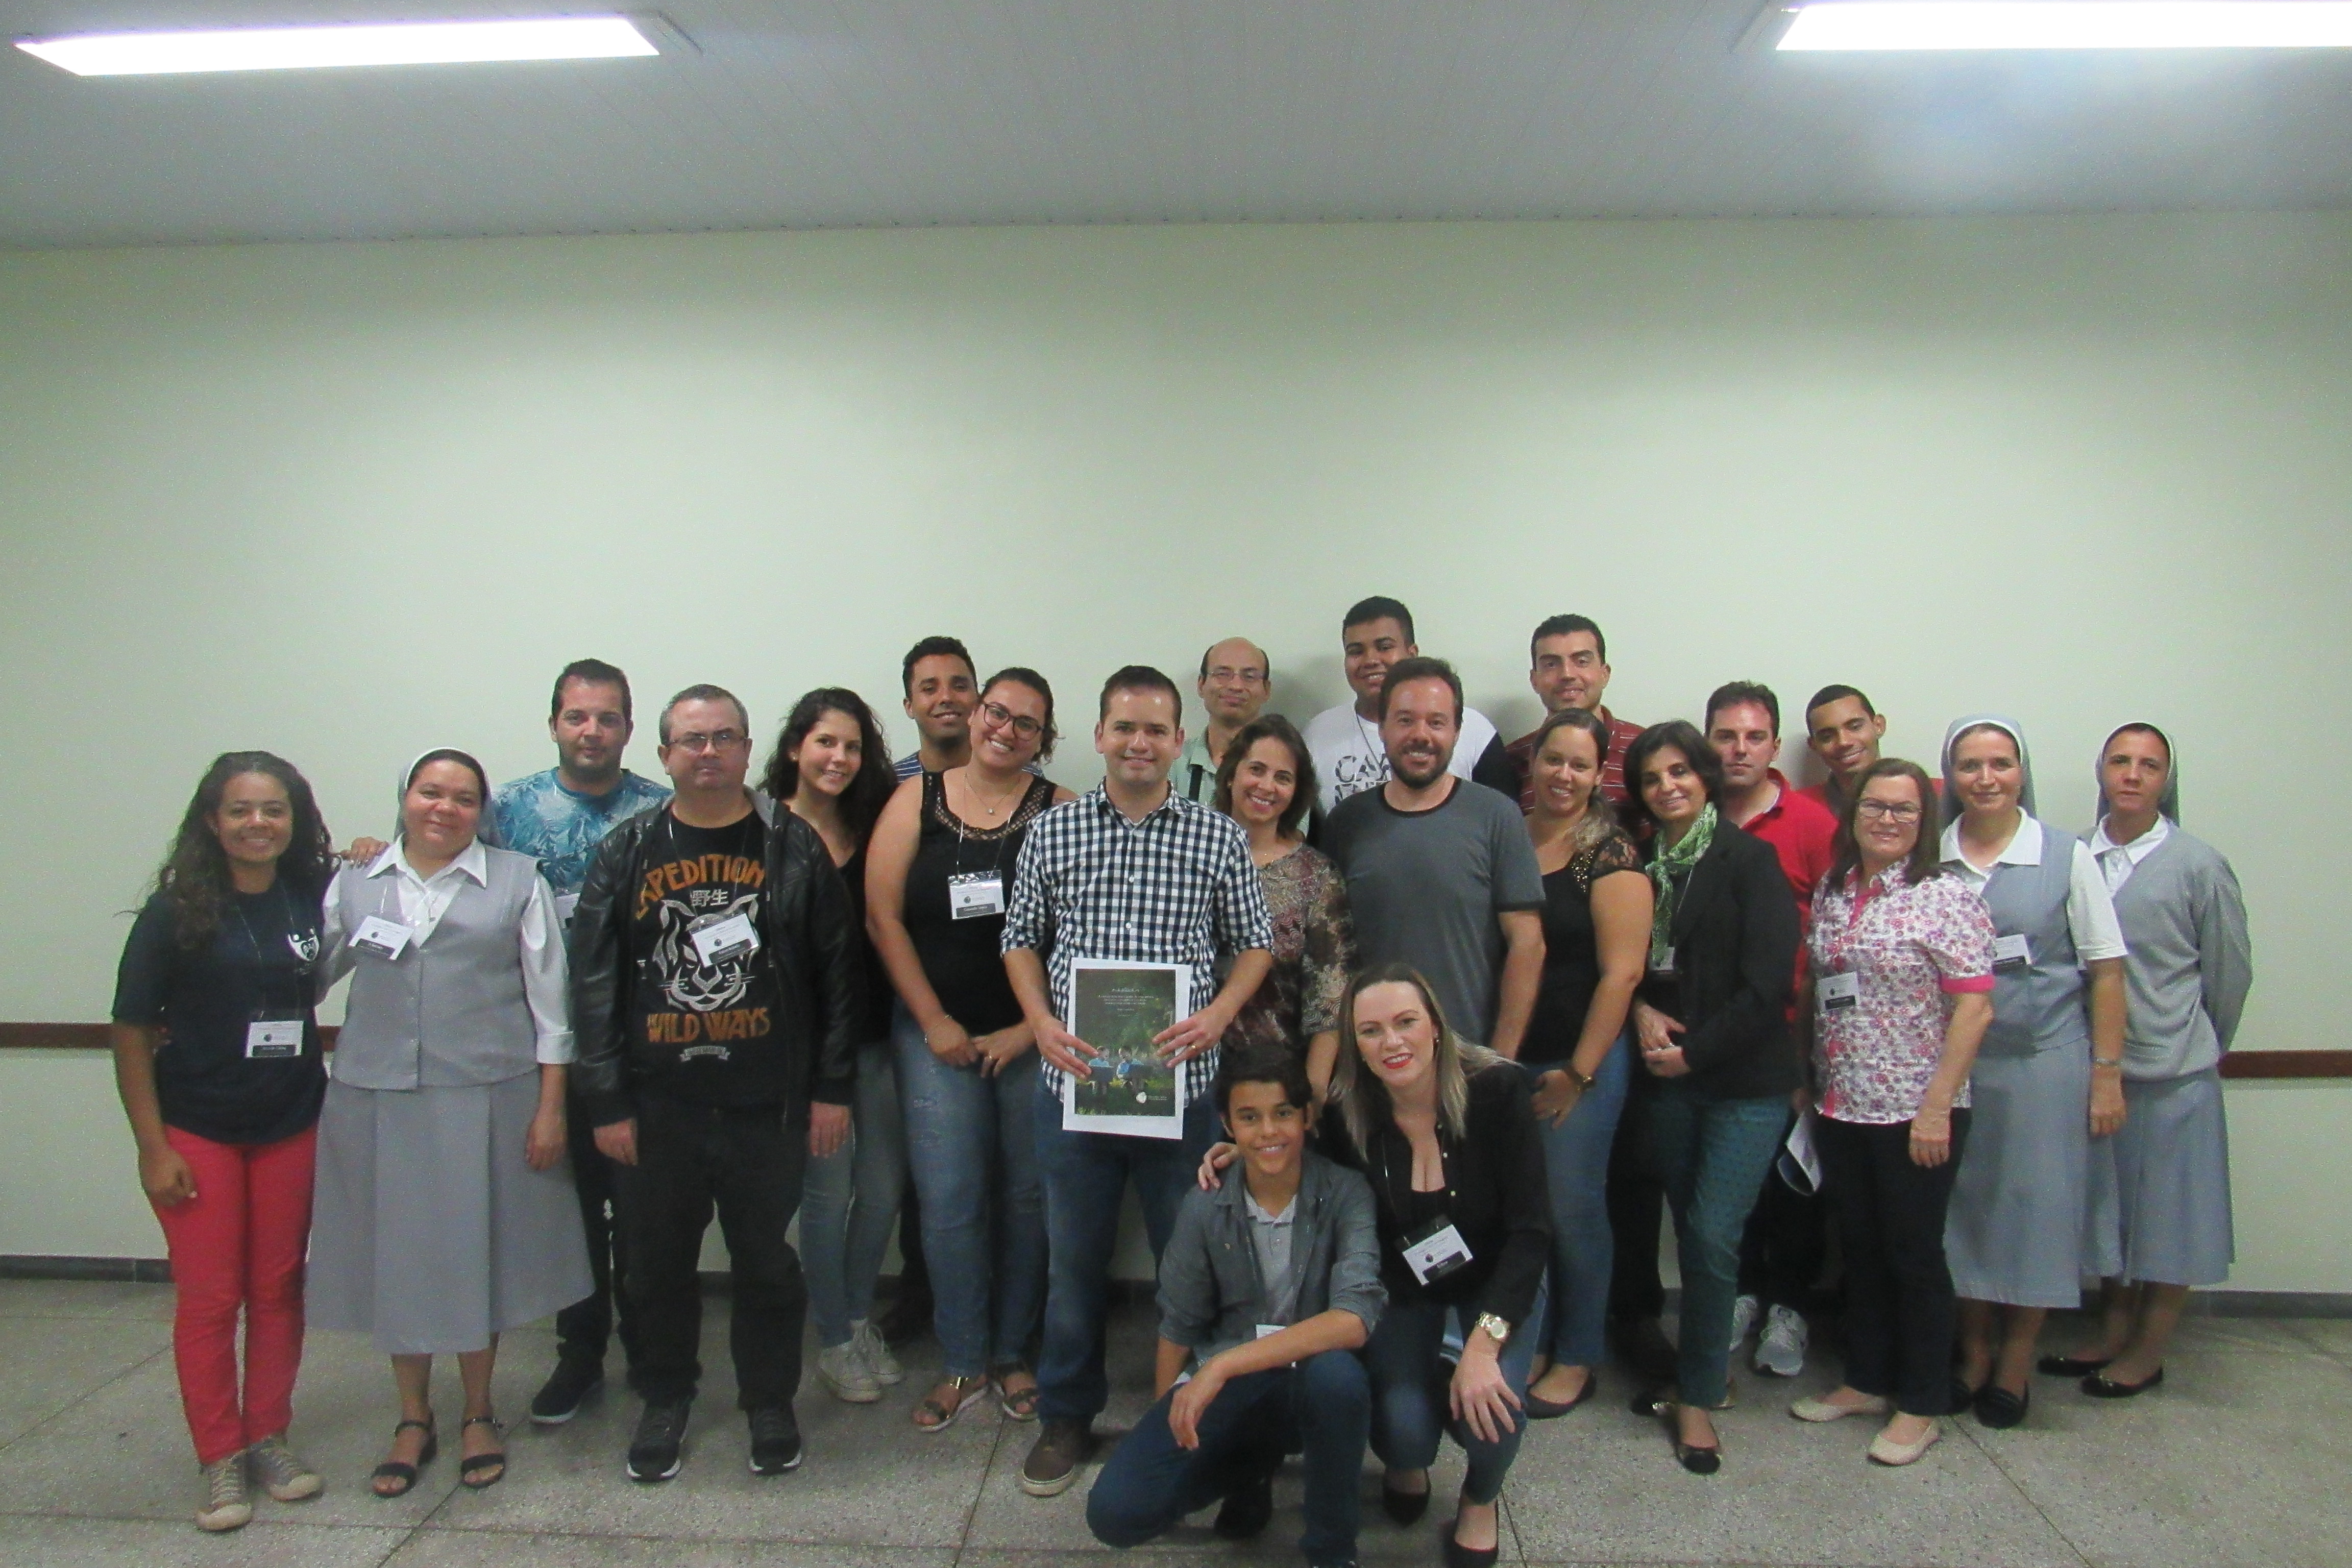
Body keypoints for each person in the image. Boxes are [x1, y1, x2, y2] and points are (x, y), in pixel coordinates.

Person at [570, 685, 860, 1482]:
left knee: (767, 1263)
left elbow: (839, 978)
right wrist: (605, 1102)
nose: (708, 753)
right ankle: (665, 1396)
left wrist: (832, 1091)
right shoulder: (627, 851)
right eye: (691, 740)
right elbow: (591, 987)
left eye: (724, 737)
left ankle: (769, 1400)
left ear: (745, 749)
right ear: (663, 754)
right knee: (654, 1267)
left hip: (765, 1104)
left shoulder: (794, 848)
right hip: (656, 1106)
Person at [1001, 665, 1275, 1499]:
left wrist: (1220, 1015)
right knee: (1073, 1260)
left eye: (1155, 729)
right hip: (1075, 1085)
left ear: (1177, 739)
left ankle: (1196, 1407)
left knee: (1188, 1260)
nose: (1139, 742)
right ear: (1098, 735)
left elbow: (1254, 943)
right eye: (1124, 727)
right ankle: (1067, 1411)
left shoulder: (1215, 835)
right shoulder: (1053, 831)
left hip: (1180, 1090)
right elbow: (1018, 938)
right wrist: (1040, 1022)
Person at [311, 749, 589, 1498]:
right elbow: (308, 975)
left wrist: (551, 1108)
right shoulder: (355, 883)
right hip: (380, 1099)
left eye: (463, 798)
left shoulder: (516, 879)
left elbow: (551, 1005)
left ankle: (476, 1411)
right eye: (430, 793)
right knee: (399, 1260)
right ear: (404, 799)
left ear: (481, 811)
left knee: (478, 1253)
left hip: (488, 1094)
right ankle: (411, 1417)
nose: (445, 808)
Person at [111, 753, 337, 1531]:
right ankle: (218, 1456)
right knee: (212, 1298)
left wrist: (373, 851)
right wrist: (152, 1146)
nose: (257, 824)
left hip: (291, 1119)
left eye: (273, 810)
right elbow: (133, 1030)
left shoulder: (311, 894)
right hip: (197, 1127)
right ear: (212, 820)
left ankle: (267, 1434)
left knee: (278, 1287)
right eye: (241, 810)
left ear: (294, 819)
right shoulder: (174, 912)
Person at [865, 668, 1071, 1430]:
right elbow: (883, 917)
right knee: (950, 1203)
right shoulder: (914, 798)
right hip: (935, 1039)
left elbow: (1081, 937)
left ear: (1043, 741)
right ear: (977, 713)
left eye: (1027, 723)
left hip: (1031, 1039)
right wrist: (933, 1020)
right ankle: (961, 1360)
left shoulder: (1061, 811)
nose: (1006, 729)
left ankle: (1013, 1353)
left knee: (1027, 1200)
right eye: (998, 712)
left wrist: (1032, 1027)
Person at [1086, 1046, 1382, 1568]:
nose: (1268, 1132)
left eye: (1283, 1114)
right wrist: (1170, 1418)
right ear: (1227, 1125)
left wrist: (1220, 1365)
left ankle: (1332, 1551)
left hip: (1309, 1375)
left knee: (1339, 1378)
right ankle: (1250, 1469)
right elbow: (1178, 1321)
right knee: (1115, 1512)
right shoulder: (1206, 1203)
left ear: (1307, 1117)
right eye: (1250, 1118)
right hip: (1240, 1388)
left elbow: (1354, 1320)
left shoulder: (1346, 1193)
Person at [1787, 759, 1995, 1466]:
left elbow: (1974, 1006)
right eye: (1875, 806)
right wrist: (1812, 1081)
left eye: (1904, 810)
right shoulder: (1837, 889)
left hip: (1918, 1109)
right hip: (1845, 1104)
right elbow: (1825, 989)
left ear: (1924, 821)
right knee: (1864, 1251)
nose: (1887, 820)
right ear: (1854, 814)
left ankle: (1922, 1401)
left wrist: (1937, 1107)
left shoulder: (1946, 896)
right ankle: (1868, 1381)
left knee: (1913, 1254)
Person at [2042, 723, 2252, 1398]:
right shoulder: (2071, 856)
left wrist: (2195, 1043)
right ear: (2100, 770)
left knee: (2170, 1217)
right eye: (2121, 762)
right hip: (2092, 1070)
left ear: (2167, 779)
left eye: (2150, 765)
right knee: (2110, 1213)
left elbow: (2229, 974)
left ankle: (2149, 1350)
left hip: (2173, 1076)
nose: (2132, 775)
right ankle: (2110, 1330)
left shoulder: (2197, 865)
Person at [489, 659, 672, 1429]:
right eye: (577, 717)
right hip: (546, 1054)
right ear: (555, 722)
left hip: (644, 1050)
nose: (592, 731)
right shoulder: (505, 811)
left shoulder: (663, 812)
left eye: (608, 718)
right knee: (570, 1213)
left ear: (630, 728)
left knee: (643, 1212)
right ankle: (579, 1350)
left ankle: (653, 1346)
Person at [1317, 966, 1550, 1568]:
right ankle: (1415, 1442)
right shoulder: (1349, 1114)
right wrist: (1241, 1152)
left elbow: (1531, 1232)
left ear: (1437, 1030)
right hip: (1405, 1287)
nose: (1391, 1043)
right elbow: (1300, 1167)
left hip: (1500, 1277)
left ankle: (1479, 1498)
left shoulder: (1498, 1092)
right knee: (1404, 1432)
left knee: (1494, 1409)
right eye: (1370, 1032)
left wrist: (1484, 1343)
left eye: (1405, 1023)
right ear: (1355, 1047)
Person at [1938, 715, 2128, 1429]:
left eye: (2001, 763)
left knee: (2038, 1216)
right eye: (1969, 765)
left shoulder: (2064, 856)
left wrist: (2105, 1073)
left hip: (2046, 1063)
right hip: (1958, 1068)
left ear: (2023, 771)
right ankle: (1974, 1350)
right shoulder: (1936, 854)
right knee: (1967, 1212)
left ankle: (2016, 1361)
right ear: (1950, 776)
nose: (1986, 779)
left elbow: (2107, 973)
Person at [1621, 721, 1801, 1474]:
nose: (1668, 787)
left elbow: (1768, 990)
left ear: (1704, 777)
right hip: (1666, 1082)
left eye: (1680, 773)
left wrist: (1692, 1052)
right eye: (1653, 778)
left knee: (1710, 1236)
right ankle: (1704, 1374)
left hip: (1739, 1084)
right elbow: (1628, 965)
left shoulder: (1748, 861)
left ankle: (1697, 1397)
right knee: (1684, 1227)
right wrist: (1638, 1014)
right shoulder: (1638, 864)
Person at [763, 689, 907, 1405]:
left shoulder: (875, 822)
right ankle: (835, 1337)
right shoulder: (764, 833)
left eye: (852, 747)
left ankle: (854, 1318)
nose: (839, 759)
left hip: (877, 1038)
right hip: (810, 1057)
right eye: (826, 743)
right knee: (827, 1197)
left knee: (881, 1190)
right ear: (795, 747)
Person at [1515, 708, 1650, 1423]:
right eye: (1552, 760)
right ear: (1532, 762)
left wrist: (1579, 1072)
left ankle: (1578, 1354)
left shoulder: (1611, 855)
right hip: (1514, 1055)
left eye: (1578, 764)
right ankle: (1534, 1339)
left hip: (1581, 1063)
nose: (1562, 775)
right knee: (1528, 1212)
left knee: (1574, 1209)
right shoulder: (1509, 834)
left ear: (1599, 774)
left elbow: (1621, 977)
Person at [1706, 680, 1838, 1381]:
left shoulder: (1811, 821)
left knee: (1795, 1179)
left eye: (1754, 737)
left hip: (1794, 1031)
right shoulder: (1691, 815)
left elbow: (1838, 930)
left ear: (1775, 744)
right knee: (1736, 1181)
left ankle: (1790, 1305)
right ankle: (1745, 1297)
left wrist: (1811, 1053)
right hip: (1716, 1035)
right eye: (1726, 736)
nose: (1739, 750)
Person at [1320, 656, 1546, 1060]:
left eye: (1436, 722)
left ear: (1457, 731)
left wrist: (1501, 1057)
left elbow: (1528, 945)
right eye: (1405, 720)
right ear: (1384, 728)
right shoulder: (1346, 823)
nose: (1420, 735)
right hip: (1373, 1060)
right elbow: (1331, 956)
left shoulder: (1497, 817)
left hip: (1470, 1060)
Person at [1208, 715, 1357, 1085]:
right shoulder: (1186, 856)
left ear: (1297, 791)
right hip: (1183, 1072)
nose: (1266, 786)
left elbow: (1330, 998)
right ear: (1230, 774)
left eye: (1283, 777)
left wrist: (1313, 1091)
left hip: (1274, 1083)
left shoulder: (1316, 876)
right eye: (1256, 769)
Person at [1300, 597, 1506, 817]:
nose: (1370, 660)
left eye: (1385, 647)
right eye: (1356, 651)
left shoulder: (1475, 731)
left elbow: (1500, 822)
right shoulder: (1317, 734)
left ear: (1412, 653)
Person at [1476, 614, 1646, 810]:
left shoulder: (1644, 748)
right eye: (1551, 664)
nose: (1567, 674)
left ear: (1604, 673)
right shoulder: (1509, 763)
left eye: (1581, 661)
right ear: (1534, 680)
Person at [1799, 684, 1938, 817]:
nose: (1844, 742)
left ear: (1879, 725)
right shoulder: (1801, 808)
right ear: (1814, 746)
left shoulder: (1935, 795)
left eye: (1855, 727)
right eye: (1827, 737)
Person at [1176, 636, 1274, 804]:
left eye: (1249, 677)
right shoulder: (1173, 763)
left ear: (1266, 689)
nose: (1236, 686)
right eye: (1222, 674)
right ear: (1201, 684)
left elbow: (1291, 830)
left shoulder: (1284, 766)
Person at [895, 634, 982, 780]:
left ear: (979, 701)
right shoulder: (886, 787)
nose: (946, 698)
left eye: (960, 687)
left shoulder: (1025, 781)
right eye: (930, 689)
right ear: (909, 706)